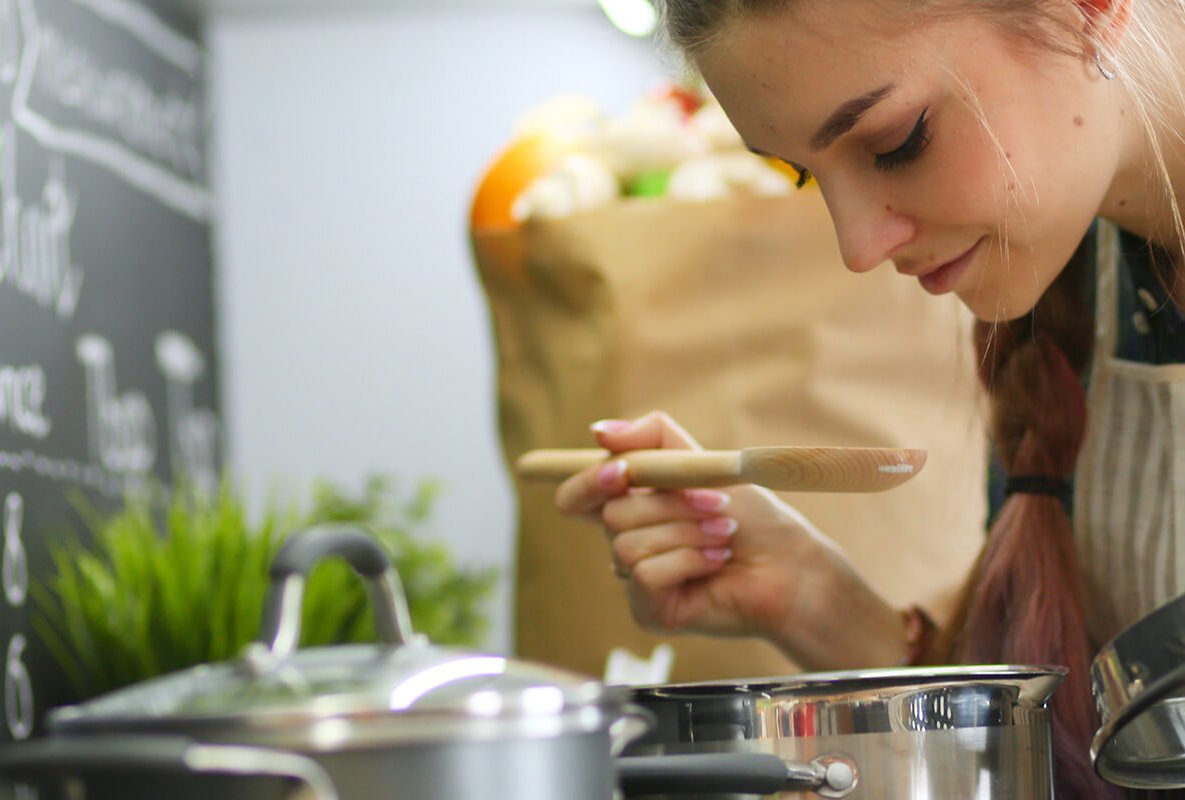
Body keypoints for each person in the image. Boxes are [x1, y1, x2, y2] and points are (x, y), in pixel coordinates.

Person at [552, 1, 1185, 798]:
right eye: (804, 174)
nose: (857, 246)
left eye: (895, 142)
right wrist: (812, 597)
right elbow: (1069, 762)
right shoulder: (1067, 286)